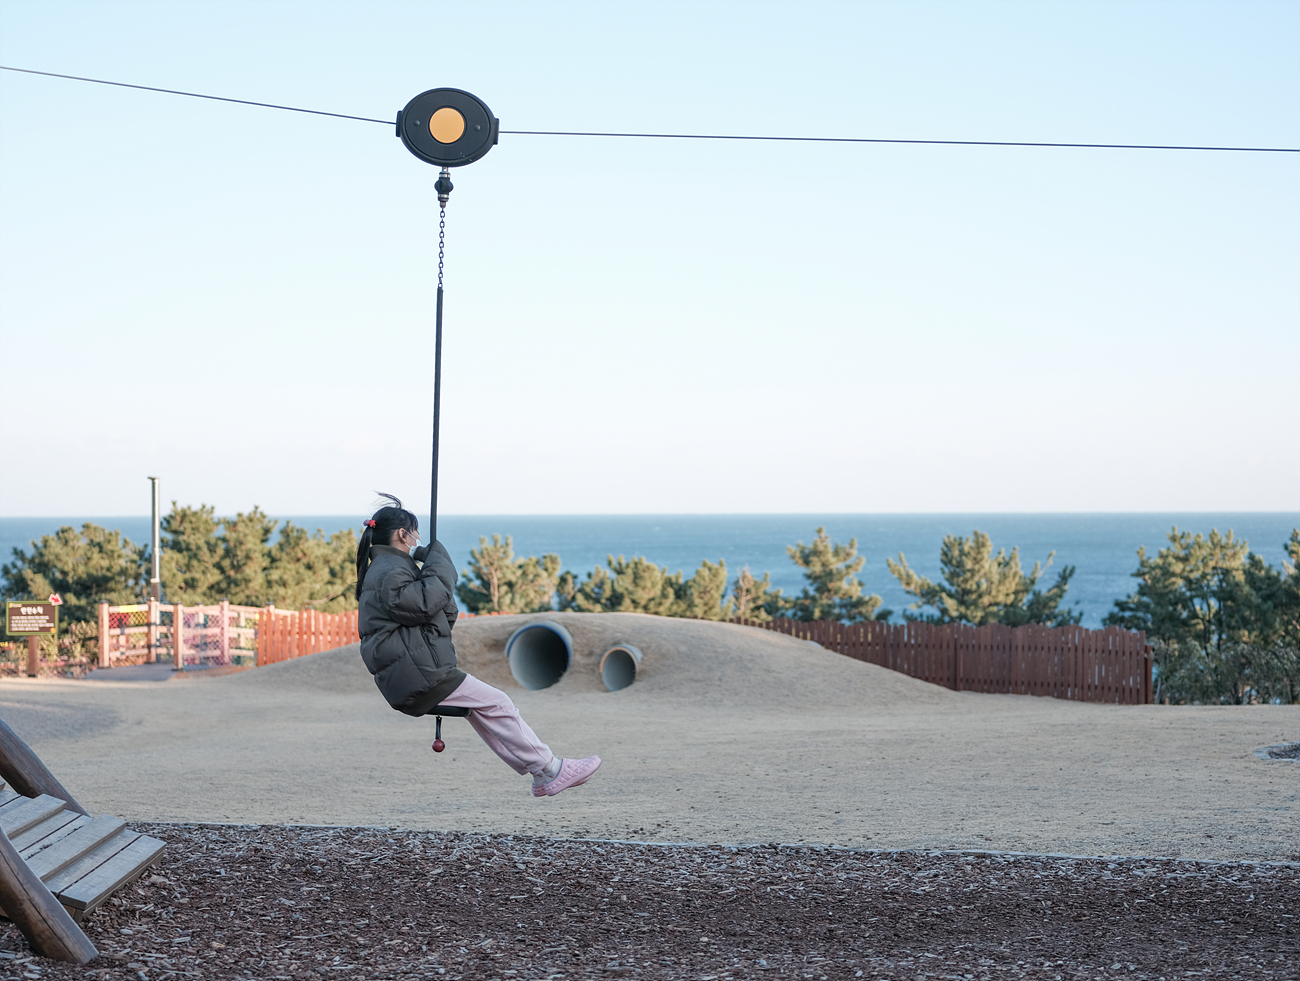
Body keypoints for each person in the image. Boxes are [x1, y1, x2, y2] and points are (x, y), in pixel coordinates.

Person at [354, 494, 599, 797]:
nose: (417, 539)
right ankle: (550, 768)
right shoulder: (391, 570)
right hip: (418, 673)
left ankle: (541, 774)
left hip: (410, 672)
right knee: (499, 703)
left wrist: (432, 573)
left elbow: (438, 613)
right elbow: (424, 604)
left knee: (484, 709)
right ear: (403, 535)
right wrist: (437, 558)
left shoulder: (385, 568)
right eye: (414, 533)